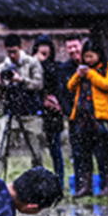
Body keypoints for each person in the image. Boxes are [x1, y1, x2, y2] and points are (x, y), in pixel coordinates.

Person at [67, 39, 108, 197]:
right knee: (84, 153)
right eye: (86, 56)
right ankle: (86, 186)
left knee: (104, 153)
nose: (88, 60)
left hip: (101, 118)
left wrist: (91, 74)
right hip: (83, 118)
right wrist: (78, 75)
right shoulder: (82, 70)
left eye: (91, 56)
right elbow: (70, 86)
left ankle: (107, 186)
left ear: (99, 55)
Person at [0, 33, 45, 178]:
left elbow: (39, 85)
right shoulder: (3, 67)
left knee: (36, 153)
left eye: (14, 51)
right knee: (0, 153)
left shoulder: (32, 63)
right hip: (10, 113)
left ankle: (38, 182)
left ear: (21, 48)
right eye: (8, 52)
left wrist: (21, 80)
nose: (11, 55)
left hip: (31, 113)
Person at [34, 35, 69, 187]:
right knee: (35, 151)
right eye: (40, 46)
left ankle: (59, 183)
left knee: (55, 151)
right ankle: (36, 182)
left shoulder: (56, 66)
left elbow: (54, 82)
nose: (43, 49)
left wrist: (45, 63)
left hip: (52, 115)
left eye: (46, 46)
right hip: (35, 112)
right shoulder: (31, 65)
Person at [57, 36, 84, 184]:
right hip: (74, 116)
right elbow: (61, 94)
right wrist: (71, 112)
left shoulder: (91, 65)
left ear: (81, 46)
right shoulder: (64, 69)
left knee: (98, 151)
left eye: (75, 46)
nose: (73, 50)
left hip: (94, 116)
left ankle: (103, 182)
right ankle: (80, 183)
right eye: (69, 47)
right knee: (77, 151)